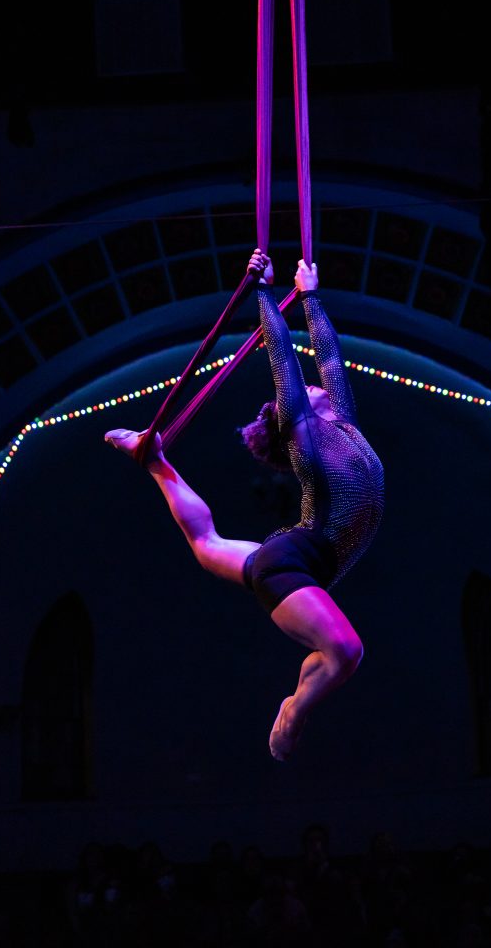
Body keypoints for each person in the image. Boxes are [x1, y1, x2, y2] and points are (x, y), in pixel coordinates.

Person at [105, 251, 384, 760]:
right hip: (296, 564)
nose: (319, 385)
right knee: (346, 651)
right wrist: (263, 290)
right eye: (305, 391)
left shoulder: (342, 421)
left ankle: (154, 462)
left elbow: (329, 359)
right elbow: (283, 358)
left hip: (291, 559)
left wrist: (312, 295)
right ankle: (294, 712)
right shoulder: (304, 436)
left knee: (206, 542)